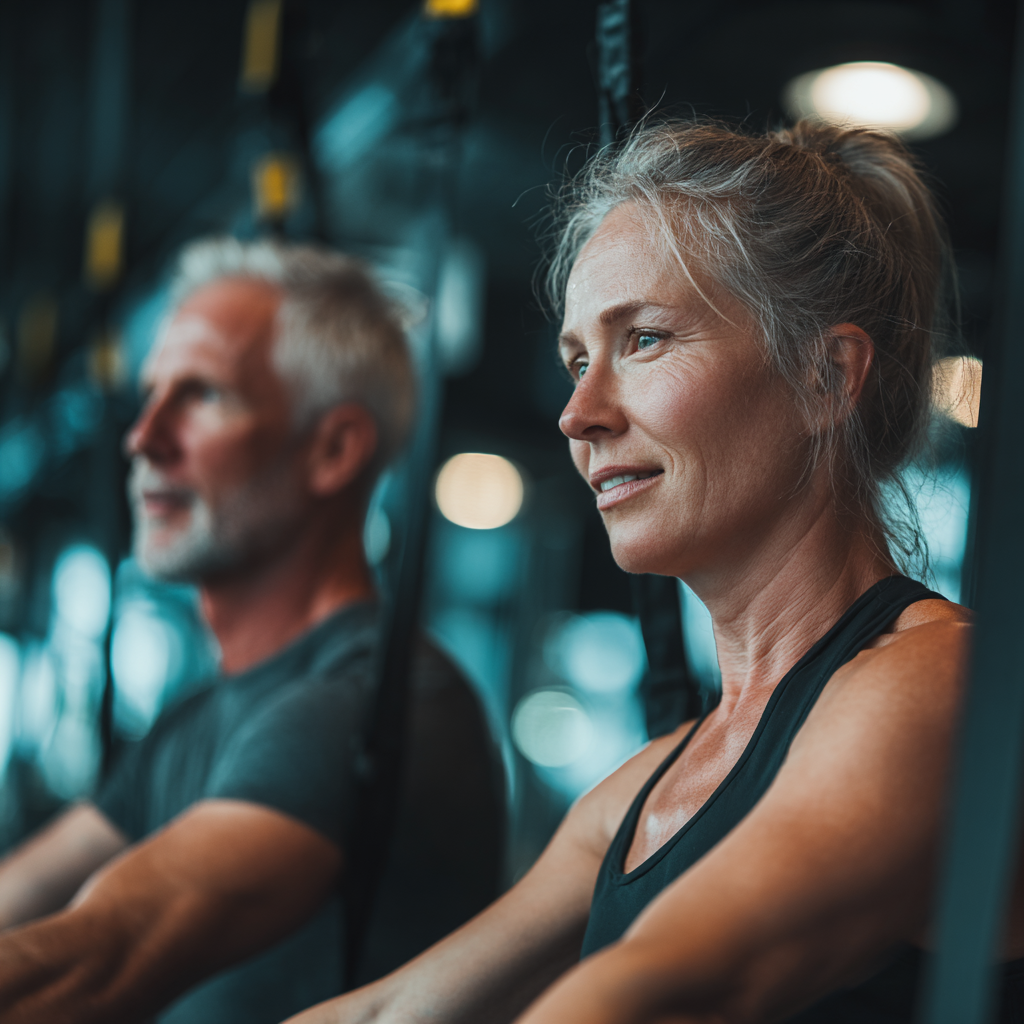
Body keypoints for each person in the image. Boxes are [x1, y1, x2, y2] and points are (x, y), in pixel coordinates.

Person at [285, 119, 1024, 1024]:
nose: (576, 414)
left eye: (643, 340)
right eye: (576, 360)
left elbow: (661, 989)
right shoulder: (647, 789)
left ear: (827, 376)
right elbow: (387, 1012)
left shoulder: (937, 685)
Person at [0, 240, 504, 1023]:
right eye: (151, 394)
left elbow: (100, 956)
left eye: (201, 395)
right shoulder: (197, 721)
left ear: (333, 449)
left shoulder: (372, 706)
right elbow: (22, 896)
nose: (143, 437)